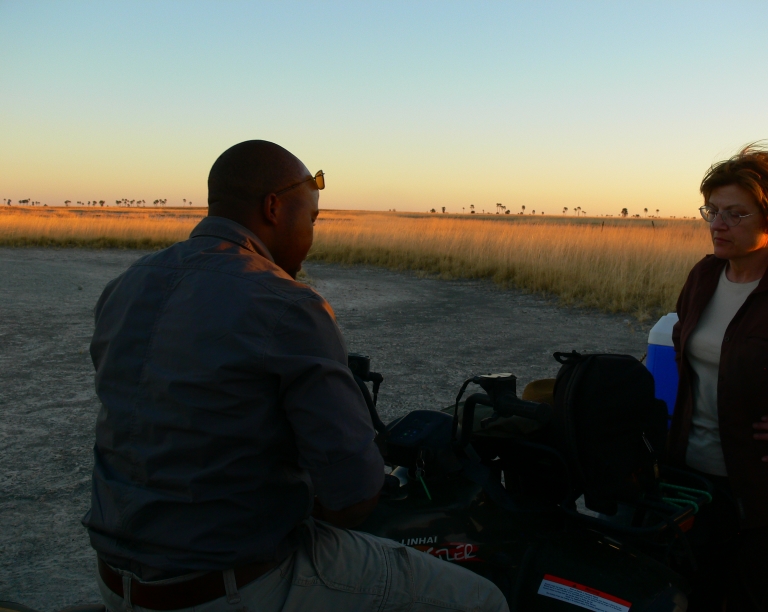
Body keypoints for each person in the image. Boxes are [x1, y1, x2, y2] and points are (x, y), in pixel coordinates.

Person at [82, 140, 509, 612]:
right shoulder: (286, 304)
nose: (311, 234)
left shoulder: (125, 286)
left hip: (116, 580)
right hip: (231, 588)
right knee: (483, 600)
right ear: (273, 208)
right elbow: (353, 499)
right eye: (312, 219)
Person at [669, 144, 768, 611]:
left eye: (736, 214)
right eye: (712, 211)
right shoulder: (703, 277)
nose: (718, 224)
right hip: (694, 486)